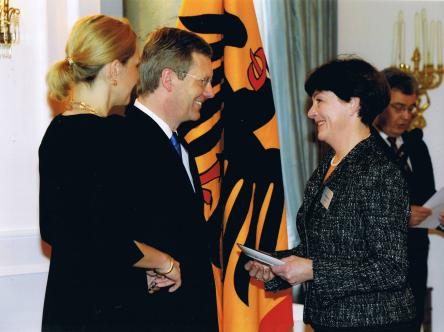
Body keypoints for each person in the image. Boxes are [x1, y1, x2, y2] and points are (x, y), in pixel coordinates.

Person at [245, 57, 416, 332]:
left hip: (374, 324)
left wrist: (312, 270)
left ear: (354, 104)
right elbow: (322, 251)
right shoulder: (329, 165)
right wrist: (277, 267)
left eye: (319, 101)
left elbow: (390, 268)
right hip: (330, 322)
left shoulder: (379, 172)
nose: (311, 112)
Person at [40, 15, 181, 331]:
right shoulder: (105, 137)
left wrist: (134, 274)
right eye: (135, 65)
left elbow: (70, 233)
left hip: (72, 303)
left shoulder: (58, 130)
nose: (137, 77)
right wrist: (164, 262)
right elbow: (101, 236)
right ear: (115, 69)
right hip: (101, 312)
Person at [123, 27, 218, 331]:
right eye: (203, 81)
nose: (210, 92)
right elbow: (104, 236)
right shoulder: (119, 140)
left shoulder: (181, 146)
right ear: (168, 79)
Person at [373, 67, 442, 332]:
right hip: (377, 269)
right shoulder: (360, 147)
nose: (406, 116)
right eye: (398, 107)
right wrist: (400, 216)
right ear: (378, 104)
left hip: (414, 263)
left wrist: (440, 217)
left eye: (411, 109)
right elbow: (351, 210)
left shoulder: (417, 146)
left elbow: (428, 199)